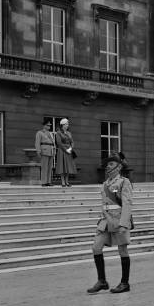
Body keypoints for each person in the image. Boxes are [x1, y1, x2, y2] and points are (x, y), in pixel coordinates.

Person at [87, 154, 133, 294]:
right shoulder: (105, 184)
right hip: (106, 221)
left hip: (119, 220)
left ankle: (124, 283)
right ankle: (102, 281)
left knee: (122, 251)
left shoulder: (124, 182)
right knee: (96, 247)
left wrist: (124, 223)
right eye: (107, 165)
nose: (108, 166)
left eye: (111, 164)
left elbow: (127, 203)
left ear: (119, 167)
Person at [55, 118, 77, 187]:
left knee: (68, 167)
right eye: (66, 124)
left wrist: (71, 148)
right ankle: (63, 182)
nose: (67, 125)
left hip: (69, 150)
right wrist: (65, 149)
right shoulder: (58, 133)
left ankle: (67, 181)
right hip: (62, 151)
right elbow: (59, 143)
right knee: (62, 166)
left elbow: (72, 142)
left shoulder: (69, 133)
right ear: (63, 125)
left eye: (68, 124)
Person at [35, 118, 56, 186]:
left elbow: (53, 143)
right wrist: (38, 151)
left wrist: (54, 150)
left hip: (51, 150)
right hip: (44, 150)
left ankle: (48, 181)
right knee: (44, 167)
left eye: (49, 125)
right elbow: (37, 143)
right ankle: (43, 182)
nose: (49, 127)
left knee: (50, 167)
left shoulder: (50, 134)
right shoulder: (40, 132)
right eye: (47, 125)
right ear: (44, 125)